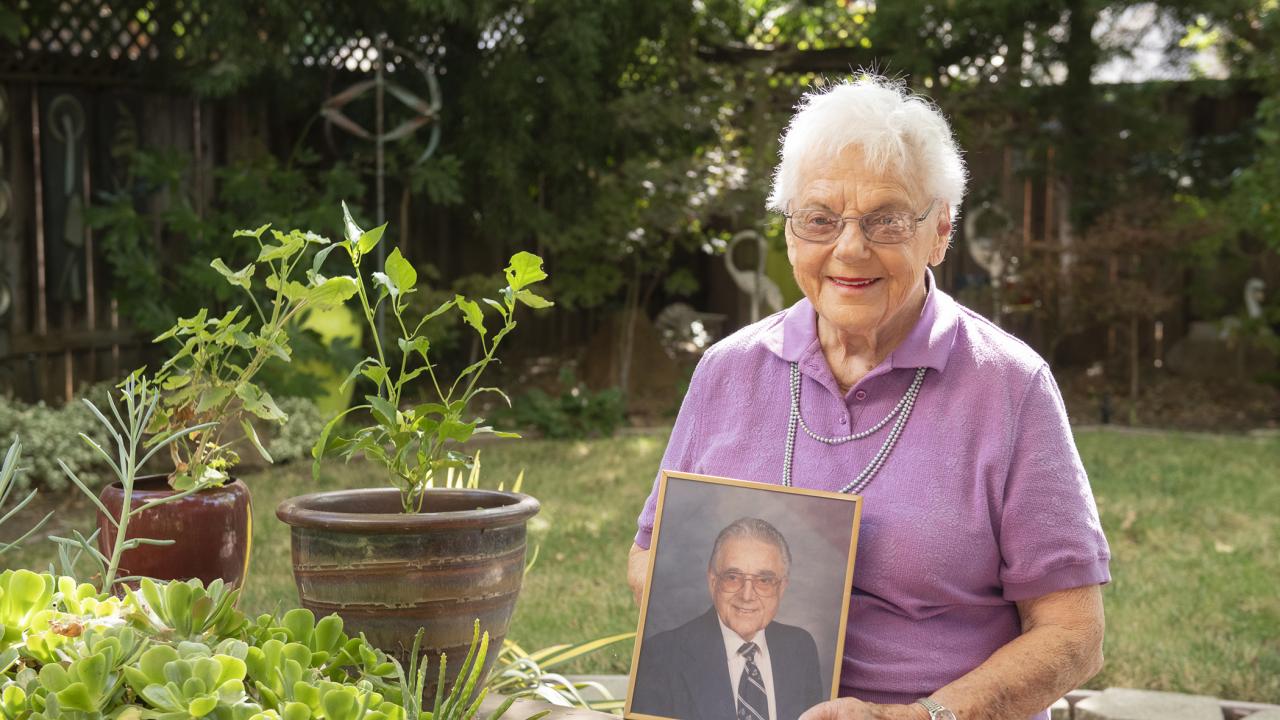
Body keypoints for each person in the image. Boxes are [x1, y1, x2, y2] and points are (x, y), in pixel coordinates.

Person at [628, 75, 1110, 720]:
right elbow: (650, 555)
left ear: (940, 230)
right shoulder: (728, 371)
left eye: (886, 220)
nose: (849, 248)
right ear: (791, 232)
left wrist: (921, 717)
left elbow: (1073, 635)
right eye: (821, 219)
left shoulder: (1009, 387)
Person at [630, 517, 824, 720]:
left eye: (764, 580)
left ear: (782, 587)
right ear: (713, 581)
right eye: (733, 577)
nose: (747, 595)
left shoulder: (800, 647)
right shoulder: (662, 655)